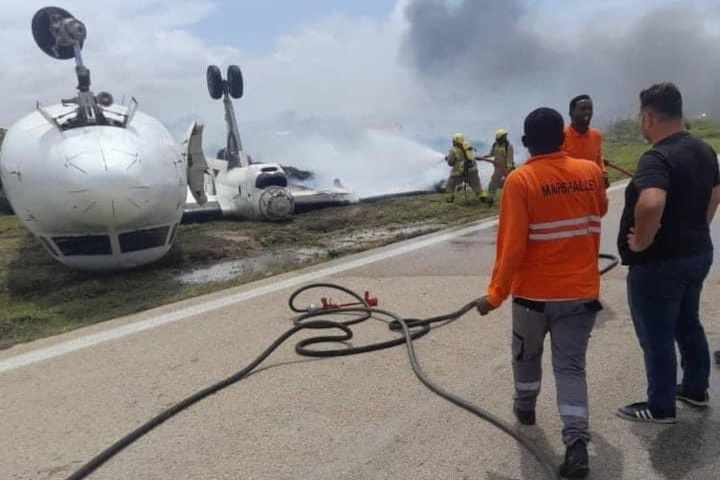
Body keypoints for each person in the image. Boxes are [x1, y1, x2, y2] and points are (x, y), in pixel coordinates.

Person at [476, 108, 608, 478]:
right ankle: (577, 444)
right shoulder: (592, 173)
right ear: (564, 139)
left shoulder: (521, 181)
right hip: (580, 294)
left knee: (526, 357)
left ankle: (525, 408)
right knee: (570, 368)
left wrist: (494, 295)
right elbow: (601, 208)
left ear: (526, 143)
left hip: (533, 297)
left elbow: (511, 247)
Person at [616, 83, 720, 423]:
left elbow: (652, 201)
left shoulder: (656, 157)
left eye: (640, 117)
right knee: (688, 323)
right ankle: (695, 388)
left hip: (660, 265)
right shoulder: (704, 150)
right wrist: (697, 225)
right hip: (697, 254)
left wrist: (642, 242)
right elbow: (715, 193)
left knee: (656, 335)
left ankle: (660, 407)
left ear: (649, 117)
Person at [562, 95, 609, 188]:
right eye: (583, 109)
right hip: (571, 189)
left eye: (590, 109)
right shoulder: (561, 137)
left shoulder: (596, 135)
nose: (587, 112)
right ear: (571, 113)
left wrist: (603, 174)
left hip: (593, 188)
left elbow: (598, 160)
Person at [445, 133, 486, 203]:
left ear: (455, 141)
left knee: (450, 184)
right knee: (476, 185)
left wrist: (448, 158)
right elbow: (472, 157)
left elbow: (450, 163)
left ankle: (449, 198)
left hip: (459, 171)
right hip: (472, 169)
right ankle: (483, 196)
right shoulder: (468, 146)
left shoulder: (453, 150)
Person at [482, 129, 515, 205]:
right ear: (499, 137)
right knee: (493, 182)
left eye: (505, 136)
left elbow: (510, 158)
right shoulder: (495, 145)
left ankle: (513, 197)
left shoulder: (508, 146)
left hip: (507, 168)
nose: (505, 138)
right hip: (497, 168)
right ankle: (490, 199)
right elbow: (492, 153)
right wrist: (485, 156)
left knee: (511, 183)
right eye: (504, 136)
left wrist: (508, 169)